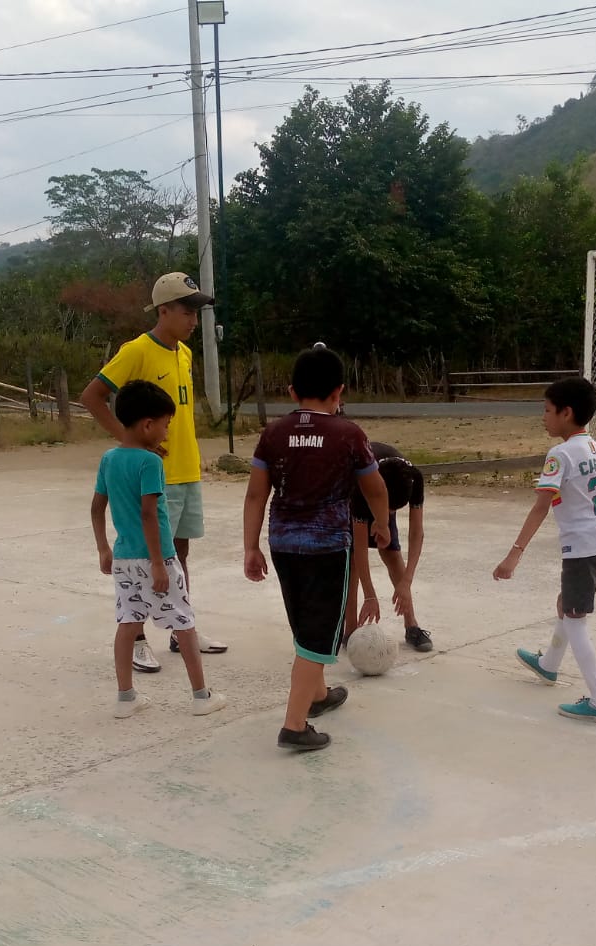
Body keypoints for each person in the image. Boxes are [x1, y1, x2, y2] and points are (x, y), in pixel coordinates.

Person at [79, 272, 228, 676]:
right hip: (151, 473)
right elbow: (92, 396)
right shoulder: (137, 350)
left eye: (196, 312)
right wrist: (130, 443)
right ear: (164, 311)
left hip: (184, 469)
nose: (193, 320)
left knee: (178, 554)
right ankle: (138, 639)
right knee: (145, 557)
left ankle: (181, 630)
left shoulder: (185, 353)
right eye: (186, 311)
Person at [243, 346, 390, 751]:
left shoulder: (273, 434)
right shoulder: (349, 434)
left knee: (305, 624)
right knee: (319, 633)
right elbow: (376, 487)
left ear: (292, 392)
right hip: (327, 547)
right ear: (339, 391)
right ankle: (295, 725)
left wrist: (250, 546)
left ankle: (319, 694)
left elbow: (255, 495)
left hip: (283, 543)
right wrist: (381, 523)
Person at [91, 381, 228, 721]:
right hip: (157, 558)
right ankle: (201, 696)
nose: (167, 433)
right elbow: (149, 514)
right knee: (184, 624)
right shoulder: (150, 462)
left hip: (124, 558)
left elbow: (96, 507)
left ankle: (126, 697)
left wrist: (103, 548)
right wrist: (157, 564)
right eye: (166, 425)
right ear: (147, 425)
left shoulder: (109, 459)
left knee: (128, 622)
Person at [493, 377, 596, 724]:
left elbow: (540, 507)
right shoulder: (592, 445)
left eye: (548, 411)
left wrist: (514, 553)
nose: (544, 417)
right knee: (567, 603)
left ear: (567, 413)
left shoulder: (559, 454)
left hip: (582, 544)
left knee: (575, 619)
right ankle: (548, 664)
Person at [346, 442, 433, 652]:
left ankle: (411, 625)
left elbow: (416, 533)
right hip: (354, 491)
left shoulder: (413, 478)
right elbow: (359, 548)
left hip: (382, 491)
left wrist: (406, 582)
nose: (391, 513)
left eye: (394, 510)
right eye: (388, 509)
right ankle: (350, 630)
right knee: (352, 563)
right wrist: (370, 595)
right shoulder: (360, 484)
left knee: (392, 554)